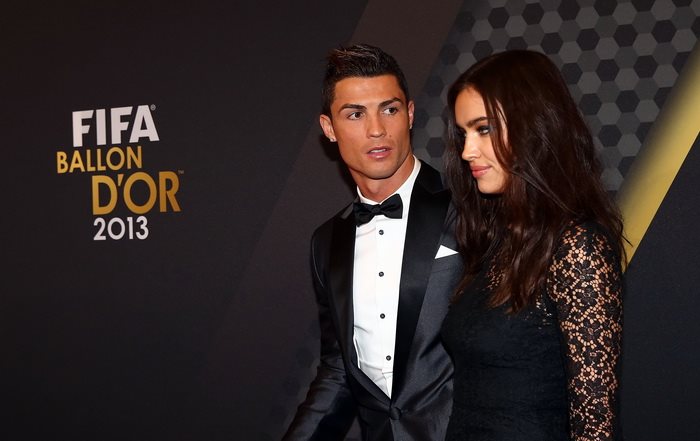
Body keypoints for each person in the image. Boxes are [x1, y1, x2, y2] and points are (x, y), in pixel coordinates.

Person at [441, 50, 624, 440]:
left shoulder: (578, 248)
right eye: (463, 134)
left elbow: (594, 427)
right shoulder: (497, 240)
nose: (467, 151)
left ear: (534, 128)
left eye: (483, 129)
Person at [282, 44, 462, 441]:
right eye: (355, 114)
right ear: (329, 128)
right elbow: (339, 369)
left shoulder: (470, 209)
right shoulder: (327, 241)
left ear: (410, 114)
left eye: (389, 109)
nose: (377, 129)